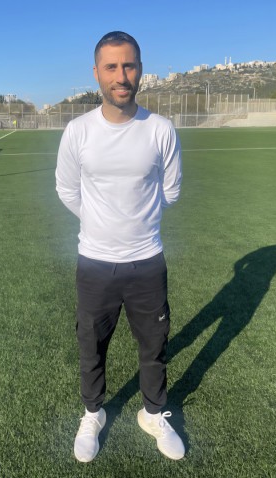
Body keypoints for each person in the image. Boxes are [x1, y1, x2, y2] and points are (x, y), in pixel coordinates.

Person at [56, 31, 185, 463]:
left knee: (154, 346)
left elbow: (171, 191)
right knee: (91, 346)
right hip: (94, 263)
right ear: (97, 73)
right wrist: (99, 223)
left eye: (128, 65)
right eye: (111, 67)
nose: (121, 75)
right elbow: (66, 189)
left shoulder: (160, 130)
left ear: (141, 70)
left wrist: (135, 223)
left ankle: (153, 414)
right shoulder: (78, 131)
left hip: (147, 261)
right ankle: (93, 414)